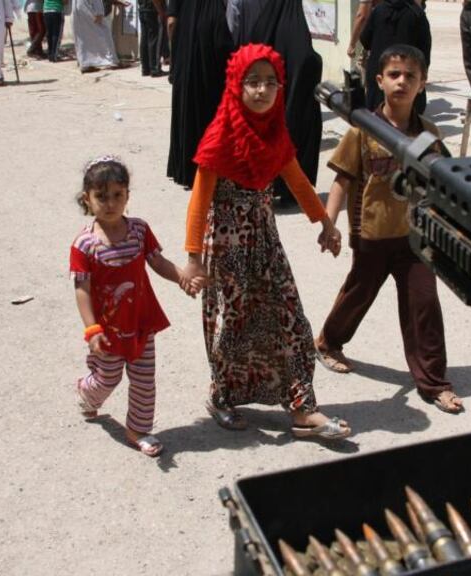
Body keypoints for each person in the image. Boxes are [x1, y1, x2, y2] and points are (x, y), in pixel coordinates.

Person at [180, 44, 352, 441]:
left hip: (265, 241)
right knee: (233, 324)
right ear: (236, 86)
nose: (261, 91)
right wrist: (193, 259)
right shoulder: (220, 135)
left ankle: (301, 408)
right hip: (226, 246)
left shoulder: (275, 132)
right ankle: (222, 396)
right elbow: (199, 200)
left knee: (291, 318)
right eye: (252, 82)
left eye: (270, 82)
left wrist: (325, 223)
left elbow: (296, 180)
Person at [316, 44, 464, 414]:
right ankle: (328, 342)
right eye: (394, 75)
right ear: (379, 81)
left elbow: (444, 185)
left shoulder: (429, 133)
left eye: (410, 76)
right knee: (358, 294)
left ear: (423, 83)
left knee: (424, 304)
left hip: (415, 237)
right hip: (371, 234)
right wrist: (328, 223)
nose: (402, 82)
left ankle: (433, 382)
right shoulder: (362, 130)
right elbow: (341, 180)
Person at [70, 155, 195, 457]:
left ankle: (137, 428)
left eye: (117, 195)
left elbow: (157, 261)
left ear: (127, 196)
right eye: (101, 197)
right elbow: (82, 289)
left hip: (141, 321)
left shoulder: (139, 230)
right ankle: (87, 391)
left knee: (143, 379)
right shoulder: (84, 244)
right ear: (87, 199)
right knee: (107, 378)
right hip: (108, 329)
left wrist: (180, 277)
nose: (110, 203)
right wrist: (92, 329)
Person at [228, 0, 322, 208]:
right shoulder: (297, 30)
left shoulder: (263, 27)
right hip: (296, 107)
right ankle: (293, 192)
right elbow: (308, 61)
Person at [165, 0, 233, 188]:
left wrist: (176, 57)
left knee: (185, 111)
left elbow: (171, 22)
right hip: (208, 61)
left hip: (183, 57)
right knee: (207, 113)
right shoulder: (215, 9)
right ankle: (206, 170)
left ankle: (183, 169)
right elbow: (224, 43)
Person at [360, 0, 431, 115]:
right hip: (407, 77)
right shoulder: (417, 13)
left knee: (375, 118)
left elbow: (365, 39)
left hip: (380, 74)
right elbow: (425, 50)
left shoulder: (378, 10)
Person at [72, 0, 119, 72]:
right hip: (86, 9)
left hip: (78, 10)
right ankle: (111, 60)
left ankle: (85, 63)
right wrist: (99, 12)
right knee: (104, 32)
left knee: (83, 37)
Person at [138, 0, 166, 76]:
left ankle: (145, 69)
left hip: (142, 9)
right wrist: (161, 11)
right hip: (152, 10)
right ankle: (154, 68)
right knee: (154, 40)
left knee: (144, 39)